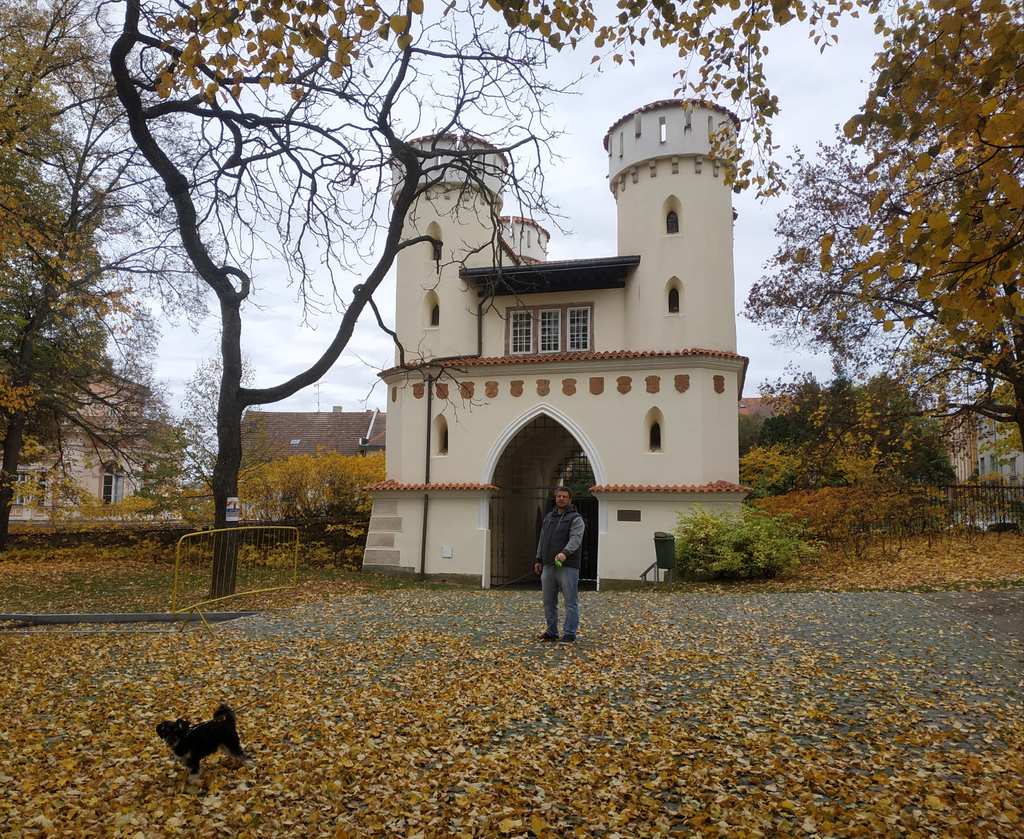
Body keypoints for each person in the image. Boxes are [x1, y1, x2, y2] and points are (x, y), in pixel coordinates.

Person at [533, 485, 584, 643]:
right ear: (555, 498)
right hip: (548, 565)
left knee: (570, 601)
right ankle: (552, 631)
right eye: (559, 496)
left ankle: (569, 633)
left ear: (569, 499)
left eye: (564, 496)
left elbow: (576, 539)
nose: (561, 498)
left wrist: (565, 553)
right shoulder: (549, 517)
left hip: (567, 566)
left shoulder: (576, 518)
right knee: (548, 601)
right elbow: (542, 539)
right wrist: (538, 558)